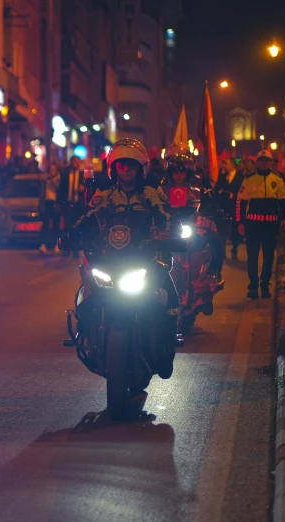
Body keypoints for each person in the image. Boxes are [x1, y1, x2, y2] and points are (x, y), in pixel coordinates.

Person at [72, 138, 178, 379]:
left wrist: (167, 234)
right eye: (121, 165)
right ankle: (86, 337)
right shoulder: (105, 195)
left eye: (131, 165)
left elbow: (165, 217)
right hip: (110, 259)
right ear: (113, 168)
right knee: (86, 294)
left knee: (169, 299)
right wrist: (72, 231)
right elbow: (89, 216)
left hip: (143, 258)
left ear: (141, 168)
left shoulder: (151, 193)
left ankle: (166, 350)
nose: (126, 170)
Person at [164, 146, 225, 281]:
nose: (179, 175)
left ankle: (214, 273)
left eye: (182, 172)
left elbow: (210, 202)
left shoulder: (199, 189)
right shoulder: (161, 189)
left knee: (216, 242)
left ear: (188, 173)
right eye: (175, 172)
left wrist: (216, 212)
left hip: (193, 225)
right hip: (169, 228)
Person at [236, 149, 285, 299]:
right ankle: (253, 286)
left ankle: (265, 285)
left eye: (266, 160)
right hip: (252, 224)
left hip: (271, 225)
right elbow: (240, 201)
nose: (264, 162)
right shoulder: (249, 179)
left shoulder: (277, 179)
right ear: (257, 162)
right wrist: (240, 221)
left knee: (269, 256)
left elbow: (284, 200)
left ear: (270, 163)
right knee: (252, 256)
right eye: (261, 160)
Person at [214, 157, 244, 259]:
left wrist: (234, 195)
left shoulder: (240, 176)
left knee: (235, 228)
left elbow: (243, 190)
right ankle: (222, 252)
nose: (224, 166)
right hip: (224, 206)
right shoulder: (222, 176)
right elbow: (217, 188)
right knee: (223, 229)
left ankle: (234, 248)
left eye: (226, 163)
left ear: (232, 164)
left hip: (235, 206)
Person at [57, 156, 86, 256]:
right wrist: (59, 203)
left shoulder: (83, 176)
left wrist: (83, 189)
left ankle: (76, 249)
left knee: (77, 226)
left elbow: (90, 189)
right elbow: (61, 189)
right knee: (67, 227)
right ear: (71, 162)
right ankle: (66, 248)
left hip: (78, 205)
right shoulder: (65, 175)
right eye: (74, 161)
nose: (76, 164)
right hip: (68, 203)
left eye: (78, 162)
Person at [39, 163, 61, 255]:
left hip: (55, 202)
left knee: (56, 224)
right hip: (47, 202)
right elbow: (41, 191)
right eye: (50, 169)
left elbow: (59, 189)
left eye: (54, 169)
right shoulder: (45, 179)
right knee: (45, 224)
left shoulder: (58, 179)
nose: (52, 171)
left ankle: (56, 244)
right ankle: (43, 244)